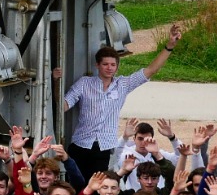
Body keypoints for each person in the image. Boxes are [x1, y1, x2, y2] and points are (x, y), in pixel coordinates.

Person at [56, 25, 184, 179]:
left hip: (104, 148)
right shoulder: (84, 83)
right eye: (105, 64)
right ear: (97, 65)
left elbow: (151, 70)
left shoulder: (122, 84)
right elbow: (63, 105)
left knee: (98, 189)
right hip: (80, 144)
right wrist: (56, 82)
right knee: (76, 184)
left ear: (117, 66)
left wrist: (169, 46)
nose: (109, 68)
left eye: (113, 65)